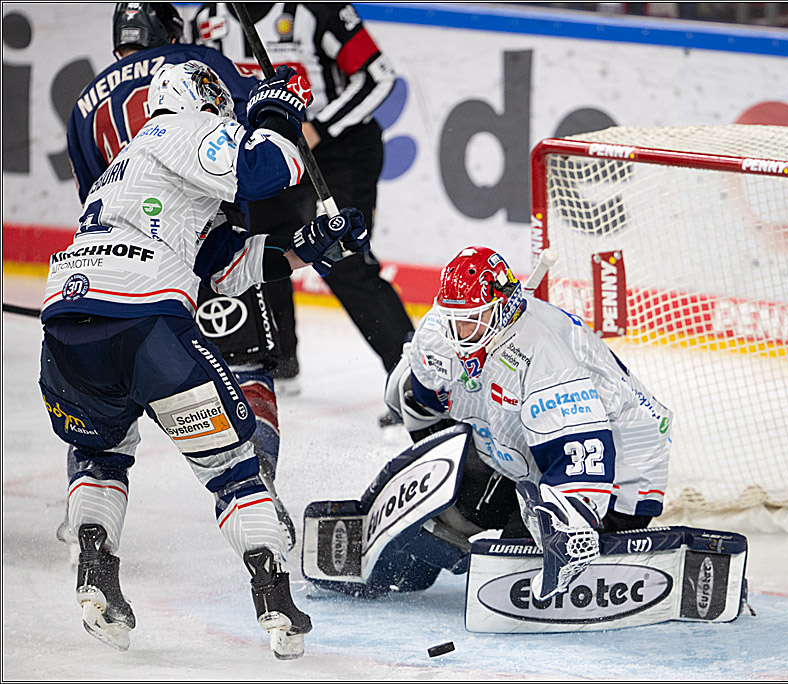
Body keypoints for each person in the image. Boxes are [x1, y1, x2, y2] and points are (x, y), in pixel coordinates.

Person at [40, 55, 368, 658]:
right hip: (145, 328)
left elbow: (227, 266)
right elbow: (265, 169)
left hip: (66, 330)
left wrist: (311, 250)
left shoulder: (135, 166)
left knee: (99, 451)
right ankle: (274, 600)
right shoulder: (177, 128)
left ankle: (95, 570)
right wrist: (276, 113)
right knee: (233, 467)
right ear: (200, 96)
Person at [62, 2, 296, 550]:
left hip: (106, 268)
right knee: (245, 367)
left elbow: (93, 196)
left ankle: (90, 511)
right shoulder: (196, 61)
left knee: (100, 400)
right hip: (201, 244)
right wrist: (279, 95)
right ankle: (255, 488)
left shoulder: (83, 102)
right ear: (172, 30)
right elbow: (249, 137)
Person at [384, 246, 673, 600]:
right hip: (525, 452)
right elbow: (419, 396)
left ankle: (572, 538)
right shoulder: (440, 331)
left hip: (617, 474)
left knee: (512, 569)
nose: (459, 330)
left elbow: (582, 457)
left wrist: (568, 537)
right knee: (443, 507)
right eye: (453, 317)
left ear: (502, 308)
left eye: (472, 318)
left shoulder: (546, 357)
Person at [190, 3, 415, 402]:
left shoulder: (315, 9)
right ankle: (279, 361)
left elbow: (379, 77)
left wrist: (320, 126)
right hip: (264, 152)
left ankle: (412, 384)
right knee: (259, 248)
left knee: (342, 257)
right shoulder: (206, 19)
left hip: (337, 149)